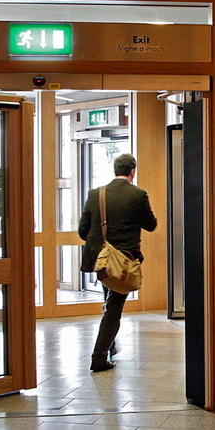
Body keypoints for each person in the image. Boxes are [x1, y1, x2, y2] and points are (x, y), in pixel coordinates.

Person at [78, 153, 157, 371]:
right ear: (133, 171)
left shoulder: (96, 194)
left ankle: (110, 345)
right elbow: (151, 225)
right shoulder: (138, 195)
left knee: (109, 301)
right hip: (123, 262)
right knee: (113, 307)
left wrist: (104, 247)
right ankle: (99, 356)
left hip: (102, 261)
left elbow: (82, 230)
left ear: (116, 170)